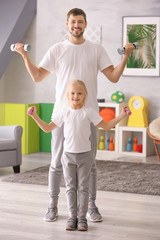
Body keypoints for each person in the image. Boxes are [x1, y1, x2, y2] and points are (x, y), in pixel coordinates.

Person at [14, 8, 135, 222]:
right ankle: (52, 205)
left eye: (80, 21)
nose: (76, 25)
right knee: (56, 162)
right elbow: (37, 77)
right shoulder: (57, 49)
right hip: (61, 115)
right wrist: (24, 55)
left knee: (92, 164)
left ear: (85, 24)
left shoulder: (96, 49)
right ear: (67, 24)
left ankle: (91, 205)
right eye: (72, 22)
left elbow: (114, 77)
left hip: (88, 114)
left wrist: (125, 56)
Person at [27, 79, 130, 231]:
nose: (76, 96)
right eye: (72, 93)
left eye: (79, 93)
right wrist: (34, 116)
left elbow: (107, 125)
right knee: (70, 187)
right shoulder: (64, 113)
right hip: (67, 156)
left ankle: (82, 219)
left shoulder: (88, 112)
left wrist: (122, 115)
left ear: (85, 95)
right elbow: (48, 128)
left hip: (85, 156)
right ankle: (72, 217)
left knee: (83, 188)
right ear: (67, 95)